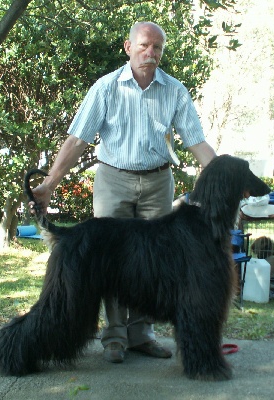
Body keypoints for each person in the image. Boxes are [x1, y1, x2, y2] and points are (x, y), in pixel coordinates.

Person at [31, 21, 216, 364]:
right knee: (108, 260)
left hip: (158, 182)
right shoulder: (105, 88)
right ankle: (114, 338)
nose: (151, 53)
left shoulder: (175, 91)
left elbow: (196, 141)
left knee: (153, 265)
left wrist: (222, 177)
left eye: (157, 48)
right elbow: (77, 140)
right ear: (129, 47)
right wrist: (50, 184)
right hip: (113, 180)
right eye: (145, 45)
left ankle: (141, 335)